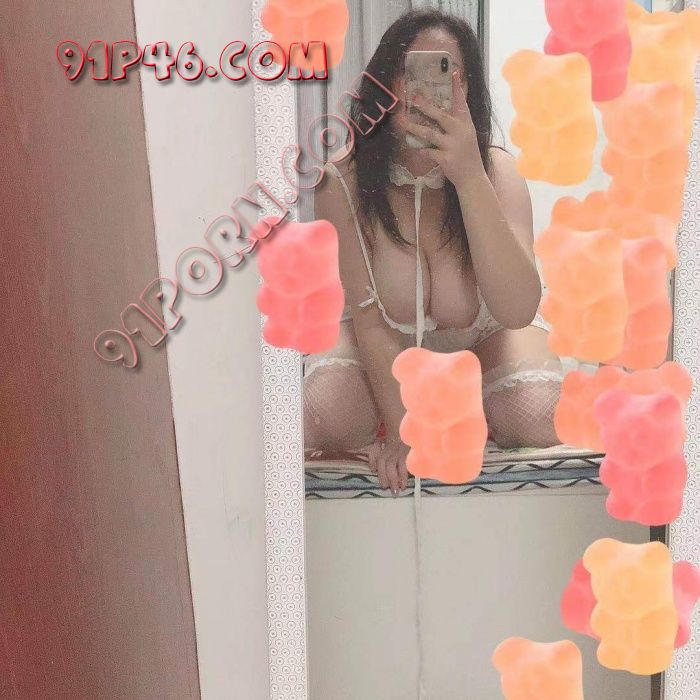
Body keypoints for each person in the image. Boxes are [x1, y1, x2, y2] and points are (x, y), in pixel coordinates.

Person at [303, 9, 565, 495]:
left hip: (484, 337)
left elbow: (517, 310)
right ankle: (424, 409)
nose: (423, 90)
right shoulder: (342, 181)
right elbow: (369, 322)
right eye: (410, 70)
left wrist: (469, 176)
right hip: (383, 338)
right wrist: (404, 431)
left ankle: (456, 409)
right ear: (384, 84)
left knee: (538, 413)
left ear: (467, 89)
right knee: (330, 415)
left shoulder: (497, 172)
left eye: (446, 72)